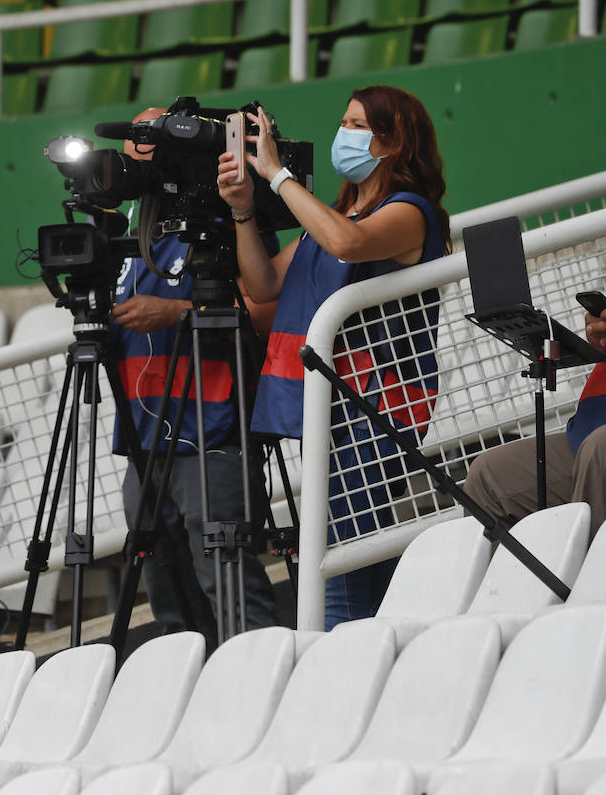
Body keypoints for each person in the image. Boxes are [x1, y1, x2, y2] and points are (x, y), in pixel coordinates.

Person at [217, 85, 450, 629]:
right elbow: (263, 281)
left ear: (392, 142)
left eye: (355, 124)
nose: (341, 133)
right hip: (336, 402)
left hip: (380, 402)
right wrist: (244, 211)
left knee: (339, 554)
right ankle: (398, 648)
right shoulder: (335, 216)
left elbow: (348, 243)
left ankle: (341, 668)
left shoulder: (410, 212)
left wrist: (278, 176)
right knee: (361, 545)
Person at [112, 107, 280, 645]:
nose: (135, 148)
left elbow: (267, 313)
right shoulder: (132, 239)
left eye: (148, 136)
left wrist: (174, 314)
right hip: (144, 444)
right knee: (170, 605)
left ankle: (262, 693)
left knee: (231, 597)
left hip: (213, 432)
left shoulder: (223, 220)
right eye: (134, 137)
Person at [465, 305, 606, 537]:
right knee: (488, 477)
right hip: (590, 426)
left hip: (601, 444)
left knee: (601, 450)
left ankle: (594, 572)